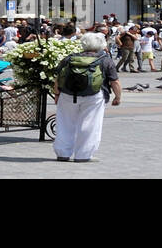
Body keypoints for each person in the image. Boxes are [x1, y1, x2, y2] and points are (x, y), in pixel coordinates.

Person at [52, 32, 121, 162]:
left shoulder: (70, 58)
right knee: (90, 125)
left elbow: (57, 78)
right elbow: (115, 82)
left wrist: (57, 94)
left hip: (67, 95)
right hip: (94, 96)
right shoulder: (105, 60)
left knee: (64, 123)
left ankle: (63, 153)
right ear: (101, 45)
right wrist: (118, 97)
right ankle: (83, 155)